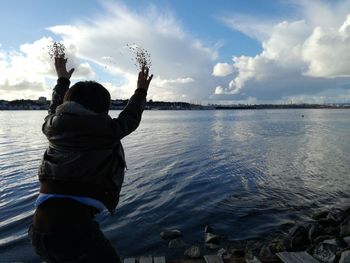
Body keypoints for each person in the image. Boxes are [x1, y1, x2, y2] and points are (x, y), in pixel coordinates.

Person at [28, 57, 153, 263]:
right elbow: (130, 116)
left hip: (38, 229)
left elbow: (54, 107)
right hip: (73, 229)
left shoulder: (52, 126)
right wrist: (141, 91)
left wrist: (62, 81)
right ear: (102, 108)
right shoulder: (106, 130)